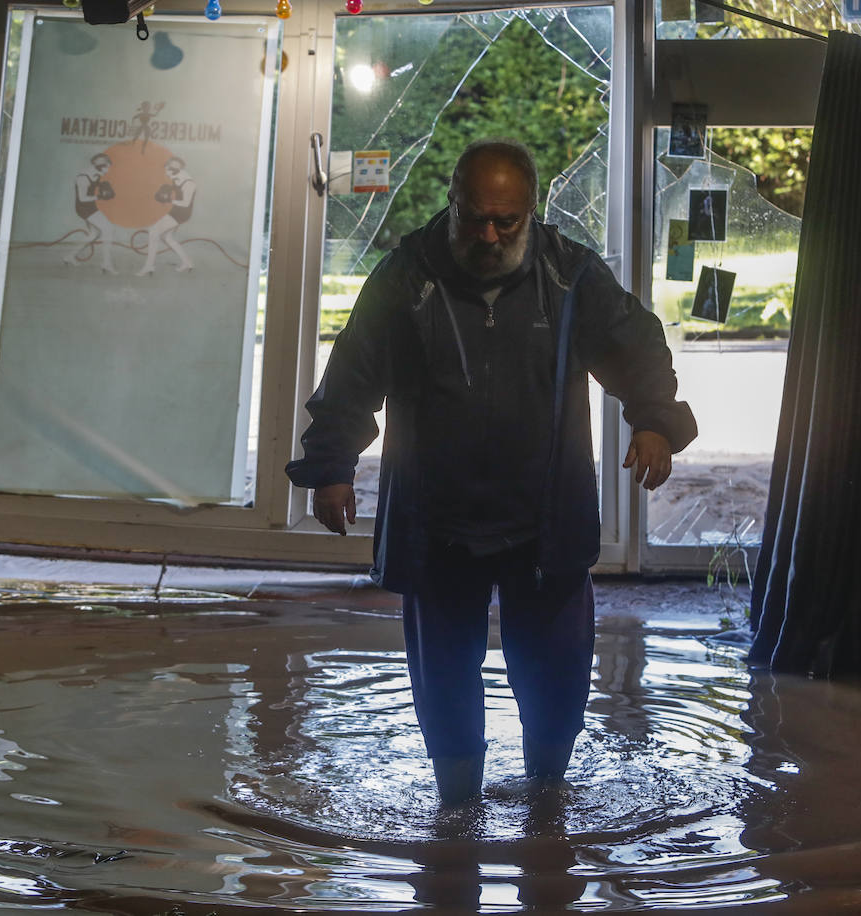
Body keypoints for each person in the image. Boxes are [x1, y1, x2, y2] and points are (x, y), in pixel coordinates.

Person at [285, 139, 697, 807]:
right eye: (474, 216)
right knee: (443, 672)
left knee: (557, 671)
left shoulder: (571, 274)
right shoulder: (406, 276)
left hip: (545, 513)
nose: (488, 234)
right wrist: (332, 467)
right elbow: (353, 371)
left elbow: (638, 346)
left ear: (531, 212)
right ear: (452, 202)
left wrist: (654, 420)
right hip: (436, 514)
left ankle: (548, 795)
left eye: (506, 221)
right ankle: (456, 803)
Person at [137, 157, 195, 276]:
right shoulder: (178, 178)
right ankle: (187, 263)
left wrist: (169, 199)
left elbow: (185, 204)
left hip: (182, 213)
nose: (167, 174)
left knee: (153, 231)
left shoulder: (189, 183)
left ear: (175, 170)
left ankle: (149, 266)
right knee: (168, 237)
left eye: (168, 171)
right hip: (176, 211)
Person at [66, 152, 118, 273]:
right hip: (84, 208)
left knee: (94, 234)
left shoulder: (96, 174)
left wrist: (102, 186)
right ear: (100, 166)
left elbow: (95, 185)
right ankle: (106, 264)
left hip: (91, 207)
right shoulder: (83, 178)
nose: (108, 170)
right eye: (107, 167)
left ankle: (70, 256)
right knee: (109, 229)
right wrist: (100, 196)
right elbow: (82, 198)